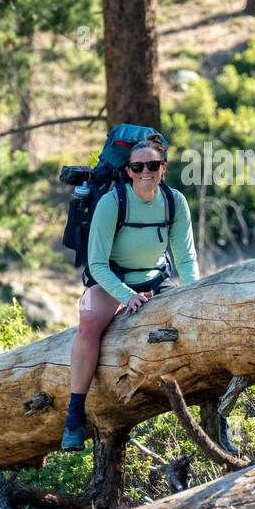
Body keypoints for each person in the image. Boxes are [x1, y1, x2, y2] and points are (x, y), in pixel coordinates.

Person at [62, 136, 201, 451]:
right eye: (138, 167)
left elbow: (185, 258)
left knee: (192, 323)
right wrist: (126, 296)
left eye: (152, 165)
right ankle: (73, 416)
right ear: (128, 171)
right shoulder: (113, 202)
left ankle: (211, 414)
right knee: (88, 324)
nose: (145, 172)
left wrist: (194, 293)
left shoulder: (174, 201)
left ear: (163, 168)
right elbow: (96, 263)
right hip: (112, 280)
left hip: (156, 279)